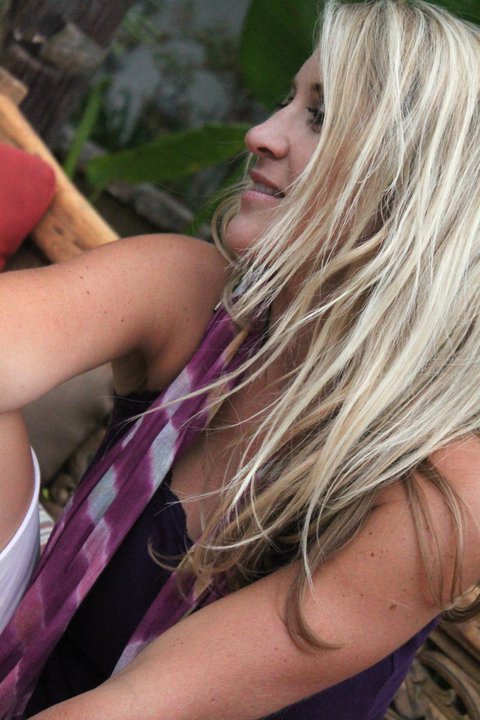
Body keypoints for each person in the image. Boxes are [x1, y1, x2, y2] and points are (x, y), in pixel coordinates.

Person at [1, 0, 480, 717]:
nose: (261, 133)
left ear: (416, 184)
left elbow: (140, 706)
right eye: (288, 101)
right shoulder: (191, 294)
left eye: (320, 115)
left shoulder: (443, 491)